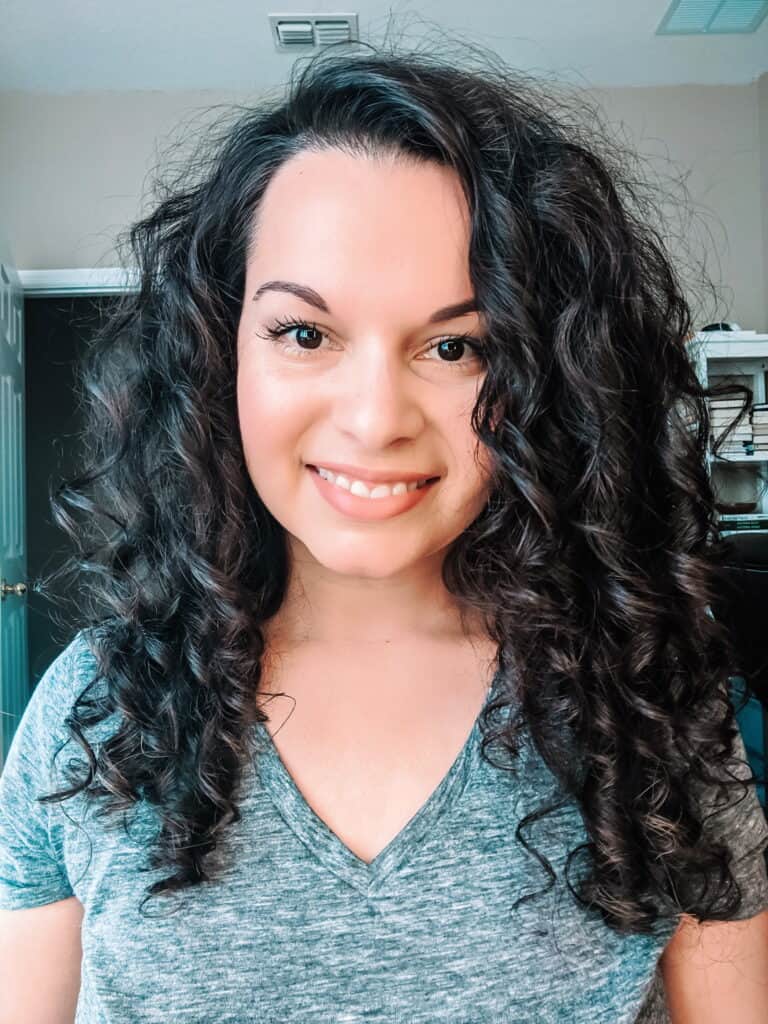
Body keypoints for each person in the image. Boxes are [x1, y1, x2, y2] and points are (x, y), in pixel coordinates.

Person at [1, 38, 767, 1024]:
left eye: (455, 347)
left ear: (545, 379)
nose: (374, 421)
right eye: (304, 333)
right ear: (220, 353)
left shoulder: (651, 702)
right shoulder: (91, 710)